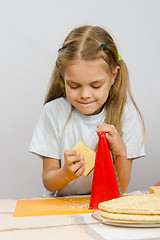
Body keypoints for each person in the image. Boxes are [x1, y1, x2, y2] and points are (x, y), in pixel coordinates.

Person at [29, 25, 145, 197]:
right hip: (61, 207)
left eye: (95, 86)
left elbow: (121, 188)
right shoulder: (53, 112)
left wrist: (120, 152)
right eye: (74, 86)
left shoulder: (126, 114)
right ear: (62, 76)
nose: (85, 95)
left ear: (113, 76)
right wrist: (65, 174)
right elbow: (49, 181)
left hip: (103, 206)